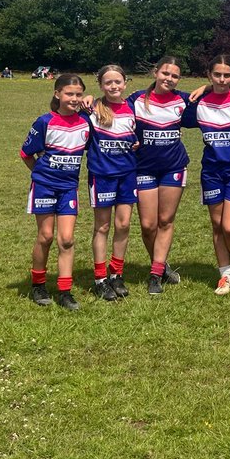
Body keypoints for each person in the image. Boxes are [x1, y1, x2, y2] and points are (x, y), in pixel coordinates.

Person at [183, 54, 230, 296]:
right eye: (217, 75)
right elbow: (166, 102)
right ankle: (224, 274)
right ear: (209, 75)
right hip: (212, 171)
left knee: (229, 225)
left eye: (227, 75)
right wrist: (203, 90)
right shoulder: (199, 102)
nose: (222, 80)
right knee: (216, 225)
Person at [20, 73, 89, 310]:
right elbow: (26, 153)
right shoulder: (44, 121)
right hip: (44, 186)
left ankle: (65, 291)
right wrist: (39, 174)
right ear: (57, 93)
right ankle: (38, 284)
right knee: (46, 236)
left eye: (78, 94)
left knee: (67, 240)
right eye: (69, 93)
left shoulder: (85, 122)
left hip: (68, 188)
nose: (74, 98)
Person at [128, 56, 191, 296]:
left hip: (173, 167)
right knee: (147, 225)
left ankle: (155, 274)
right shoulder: (135, 100)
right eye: (165, 73)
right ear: (155, 72)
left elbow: (215, 95)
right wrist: (91, 100)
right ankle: (161, 265)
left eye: (174, 76)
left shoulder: (183, 99)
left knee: (165, 220)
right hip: (143, 168)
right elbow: (110, 109)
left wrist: (207, 86)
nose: (169, 79)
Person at [85, 64, 137, 300]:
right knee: (103, 227)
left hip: (127, 174)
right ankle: (100, 278)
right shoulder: (92, 108)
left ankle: (116, 274)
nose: (113, 86)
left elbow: (138, 135)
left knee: (124, 224)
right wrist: (86, 98)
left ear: (125, 83)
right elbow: (61, 107)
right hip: (102, 175)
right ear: (101, 86)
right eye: (108, 82)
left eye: (118, 81)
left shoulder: (134, 106)